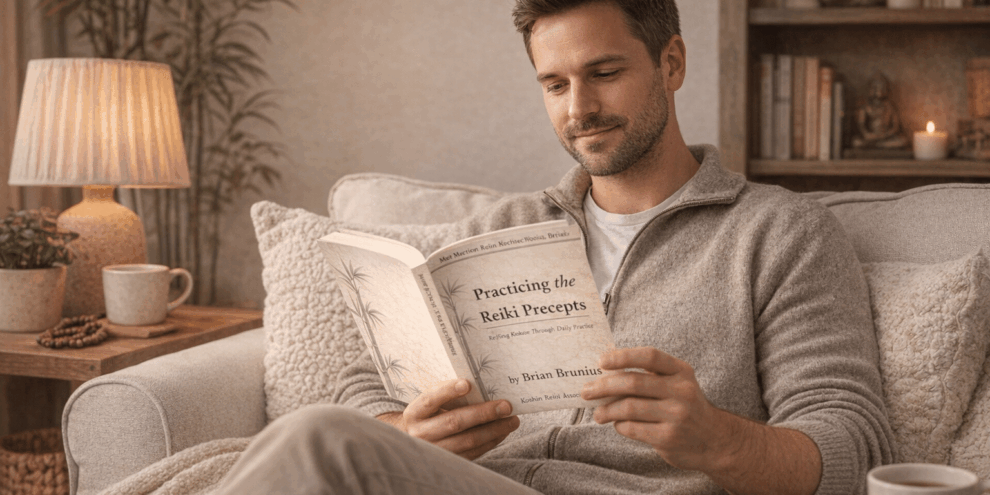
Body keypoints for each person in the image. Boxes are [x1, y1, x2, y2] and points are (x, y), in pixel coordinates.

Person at [216, 1, 894, 493]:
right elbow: (367, 381)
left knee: (315, 439)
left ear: (672, 62)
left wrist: (717, 439)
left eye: (604, 72)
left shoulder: (779, 232)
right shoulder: (499, 228)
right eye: (555, 84)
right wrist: (407, 433)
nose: (579, 109)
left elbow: (853, 444)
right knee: (325, 437)